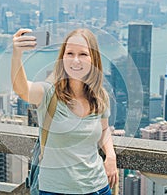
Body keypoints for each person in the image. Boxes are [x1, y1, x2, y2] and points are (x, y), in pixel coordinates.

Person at [11, 28, 118, 195]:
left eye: (83, 54)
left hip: (98, 187)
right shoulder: (48, 93)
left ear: (93, 60)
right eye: (70, 53)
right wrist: (17, 54)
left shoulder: (100, 96)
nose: (76, 60)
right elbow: (22, 89)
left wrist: (111, 156)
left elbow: (104, 129)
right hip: (55, 190)